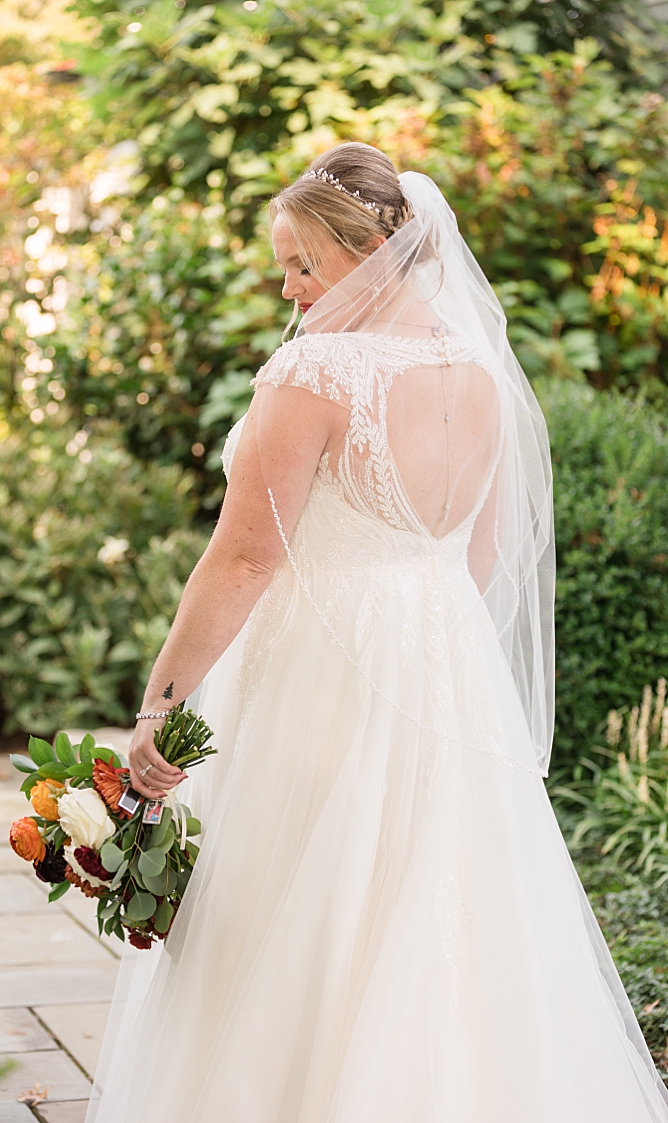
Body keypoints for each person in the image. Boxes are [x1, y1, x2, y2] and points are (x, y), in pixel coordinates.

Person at [88, 144, 668, 1121]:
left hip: (325, 668)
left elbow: (243, 560)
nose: (289, 287)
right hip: (448, 661)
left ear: (375, 249)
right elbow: (478, 555)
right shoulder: (477, 366)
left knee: (305, 907)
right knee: (448, 902)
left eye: (305, 263)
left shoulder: (315, 369)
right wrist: (427, 638)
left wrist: (159, 710)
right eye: (285, 266)